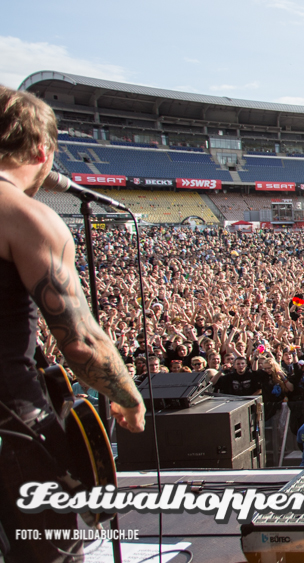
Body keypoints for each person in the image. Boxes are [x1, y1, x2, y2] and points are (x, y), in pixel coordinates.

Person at [0, 85, 145, 562]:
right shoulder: (24, 218)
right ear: (43, 151)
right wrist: (126, 395)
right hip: (12, 428)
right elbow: (80, 341)